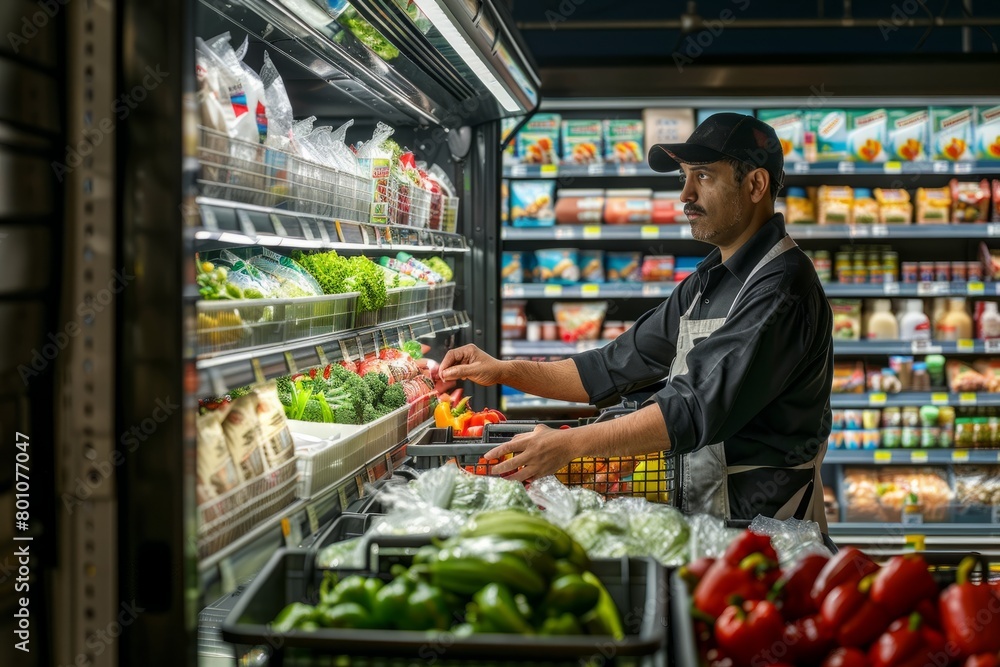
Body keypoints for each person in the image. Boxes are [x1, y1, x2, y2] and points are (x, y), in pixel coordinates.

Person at [440, 113, 834, 529]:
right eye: (684, 177)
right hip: (709, 520)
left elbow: (692, 406)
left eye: (702, 176)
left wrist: (570, 445)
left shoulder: (782, 285)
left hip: (769, 531)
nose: (685, 194)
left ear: (755, 184)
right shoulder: (705, 281)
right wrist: (502, 370)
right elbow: (609, 367)